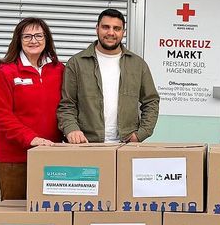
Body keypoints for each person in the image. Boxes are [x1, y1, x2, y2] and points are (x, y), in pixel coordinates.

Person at [58, 9, 159, 143]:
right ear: (97, 29)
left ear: (123, 32)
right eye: (106, 27)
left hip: (126, 144)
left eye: (116, 28)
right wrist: (72, 129)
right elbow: (67, 105)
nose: (111, 33)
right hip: (87, 143)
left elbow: (151, 101)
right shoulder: (77, 63)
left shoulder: (138, 65)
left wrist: (141, 133)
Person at [0, 17, 64, 200]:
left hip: (51, 154)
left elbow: (68, 107)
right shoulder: (6, 71)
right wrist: (32, 139)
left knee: (49, 211)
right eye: (27, 36)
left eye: (39, 35)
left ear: (46, 39)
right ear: (19, 40)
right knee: (15, 212)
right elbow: (2, 116)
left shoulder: (59, 70)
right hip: (15, 160)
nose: (33, 41)